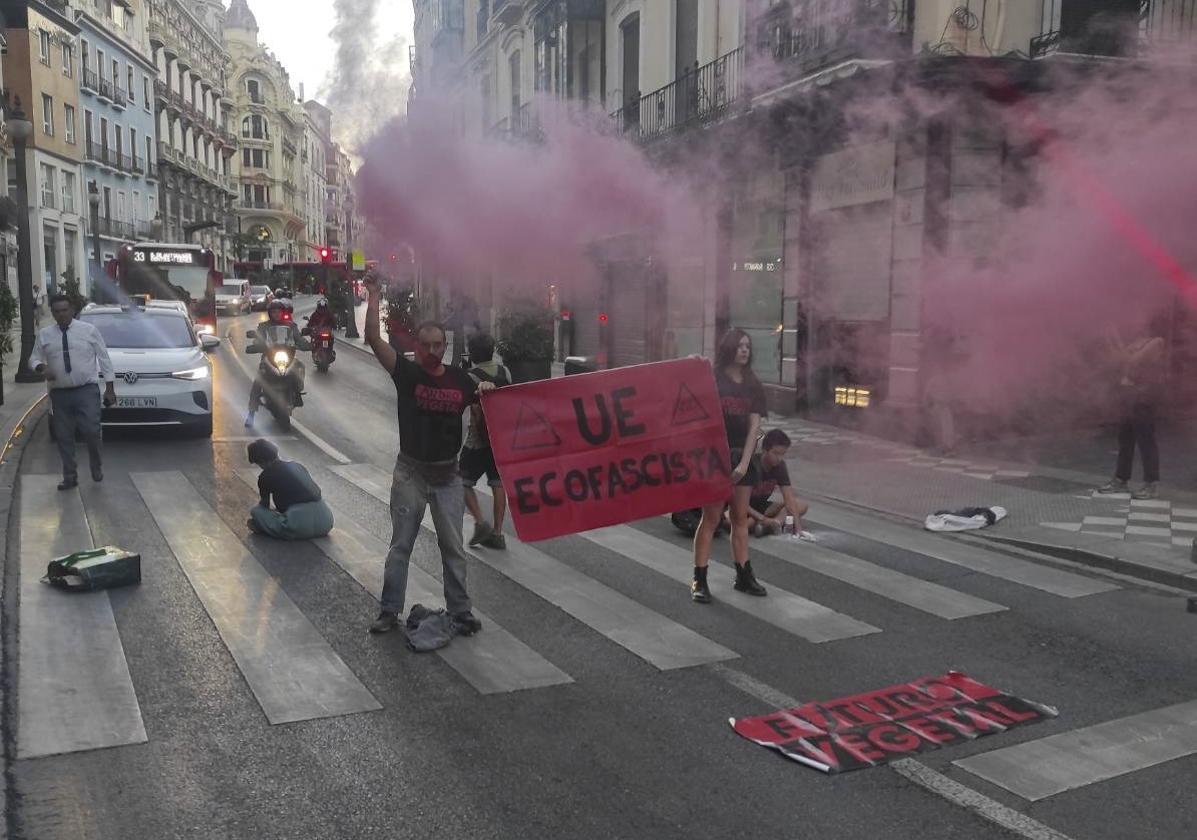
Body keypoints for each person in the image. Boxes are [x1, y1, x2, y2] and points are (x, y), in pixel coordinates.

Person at [361, 272, 497, 635]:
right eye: (426, 345)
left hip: (448, 476)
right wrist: (373, 295)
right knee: (400, 545)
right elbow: (373, 338)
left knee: (453, 547)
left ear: (445, 345)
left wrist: (486, 387)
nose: (433, 351)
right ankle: (390, 610)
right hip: (411, 474)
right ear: (417, 348)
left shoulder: (461, 380)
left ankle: (461, 611)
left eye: (439, 344)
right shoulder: (405, 373)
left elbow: (496, 398)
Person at [692, 329, 768, 603]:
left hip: (742, 458)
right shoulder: (713, 379)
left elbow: (755, 428)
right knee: (711, 520)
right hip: (714, 458)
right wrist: (691, 364)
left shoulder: (753, 385)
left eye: (748, 346)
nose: (744, 350)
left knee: (739, 520)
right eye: (739, 346)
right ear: (729, 349)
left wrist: (745, 464)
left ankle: (744, 575)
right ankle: (699, 579)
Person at [30, 293, 116, 490]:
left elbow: (104, 359)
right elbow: (33, 359)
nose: (61, 315)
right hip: (59, 394)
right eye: (57, 311)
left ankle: (96, 465)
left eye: (65, 310)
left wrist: (110, 389)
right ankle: (70, 476)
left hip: (86, 390)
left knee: (91, 431)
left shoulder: (89, 331)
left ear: (73, 311)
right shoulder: (45, 335)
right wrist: (42, 368)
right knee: (63, 436)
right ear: (52, 313)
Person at [1099, 324, 1166, 500]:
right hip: (1129, 396)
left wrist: (1117, 344)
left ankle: (1151, 484)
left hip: (1143, 397)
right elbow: (1118, 360)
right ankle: (1121, 479)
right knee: (1125, 439)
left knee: (1146, 441)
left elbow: (1132, 361)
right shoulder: (1134, 343)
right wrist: (1112, 340)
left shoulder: (1156, 342)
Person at [460, 332, 511, 550]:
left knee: (460, 481)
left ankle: (480, 522)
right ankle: (498, 533)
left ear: (472, 353)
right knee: (498, 483)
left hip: (477, 440)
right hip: (501, 438)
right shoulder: (505, 371)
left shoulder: (470, 377)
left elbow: (468, 405)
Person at [246, 439, 334, 540]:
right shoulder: (297, 466)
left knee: (256, 512)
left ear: (261, 461)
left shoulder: (265, 476)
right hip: (325, 521)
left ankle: (264, 527)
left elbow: (264, 505)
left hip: (298, 525)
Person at [245, 299, 310, 427]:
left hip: (288, 357)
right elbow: (258, 340)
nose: (276, 314)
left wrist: (308, 345)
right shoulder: (263, 326)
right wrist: (256, 346)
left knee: (299, 367)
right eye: (274, 312)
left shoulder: (291, 326)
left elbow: (298, 338)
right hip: (269, 358)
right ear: (270, 313)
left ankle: (297, 391)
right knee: (258, 381)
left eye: (278, 311)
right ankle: (250, 414)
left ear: (282, 312)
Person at [746, 429, 816, 541]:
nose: (779, 458)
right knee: (742, 524)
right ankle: (762, 523)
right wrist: (762, 518)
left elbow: (789, 499)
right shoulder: (752, 466)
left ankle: (774, 524)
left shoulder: (780, 467)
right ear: (765, 450)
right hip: (743, 508)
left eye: (782, 454)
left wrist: (799, 529)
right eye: (776, 453)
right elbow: (739, 502)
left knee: (800, 505)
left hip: (763, 507)